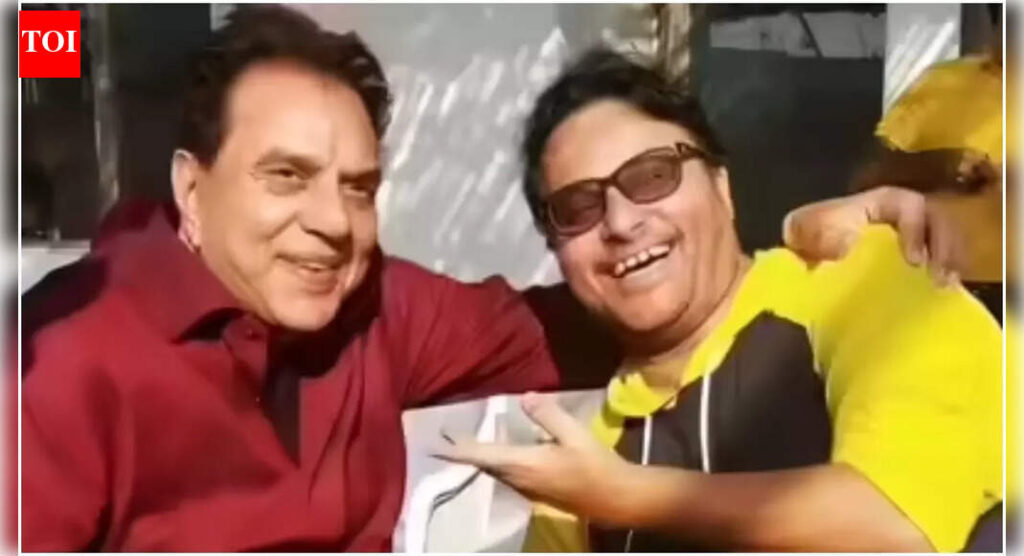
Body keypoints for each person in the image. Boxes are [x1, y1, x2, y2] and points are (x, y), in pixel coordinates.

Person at [19, 6, 964, 551]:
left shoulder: (376, 306)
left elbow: (628, 296)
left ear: (720, 183)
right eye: (287, 177)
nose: (332, 221)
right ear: (192, 188)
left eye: (359, 187)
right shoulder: (66, 357)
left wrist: (798, 236)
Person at [438, 48, 1002, 552]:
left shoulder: (866, 279)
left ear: (722, 188)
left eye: (652, 176)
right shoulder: (584, 454)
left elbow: (898, 524)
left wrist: (627, 495)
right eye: (578, 208)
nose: (622, 222)